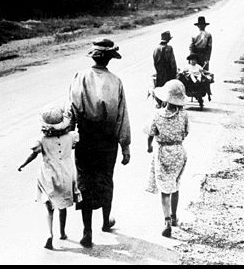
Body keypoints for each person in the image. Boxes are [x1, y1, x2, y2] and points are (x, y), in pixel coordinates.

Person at [65, 38, 131, 248]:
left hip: (85, 138)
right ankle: (105, 221)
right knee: (105, 179)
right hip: (107, 139)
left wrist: (68, 136)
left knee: (85, 181)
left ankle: (87, 230)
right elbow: (121, 116)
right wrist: (125, 146)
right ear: (110, 59)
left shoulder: (79, 77)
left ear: (93, 56)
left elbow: (70, 111)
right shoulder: (116, 82)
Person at [18, 105, 82, 250]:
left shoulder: (42, 140)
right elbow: (76, 145)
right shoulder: (70, 137)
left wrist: (23, 164)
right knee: (63, 206)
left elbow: (33, 154)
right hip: (66, 174)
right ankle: (62, 232)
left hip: (48, 175)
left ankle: (49, 233)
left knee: (49, 207)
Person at [145, 79, 189, 237]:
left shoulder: (157, 115)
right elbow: (185, 133)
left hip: (163, 153)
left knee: (164, 188)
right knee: (175, 184)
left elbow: (151, 133)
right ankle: (175, 216)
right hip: (178, 151)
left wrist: (149, 146)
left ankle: (167, 221)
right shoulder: (183, 115)